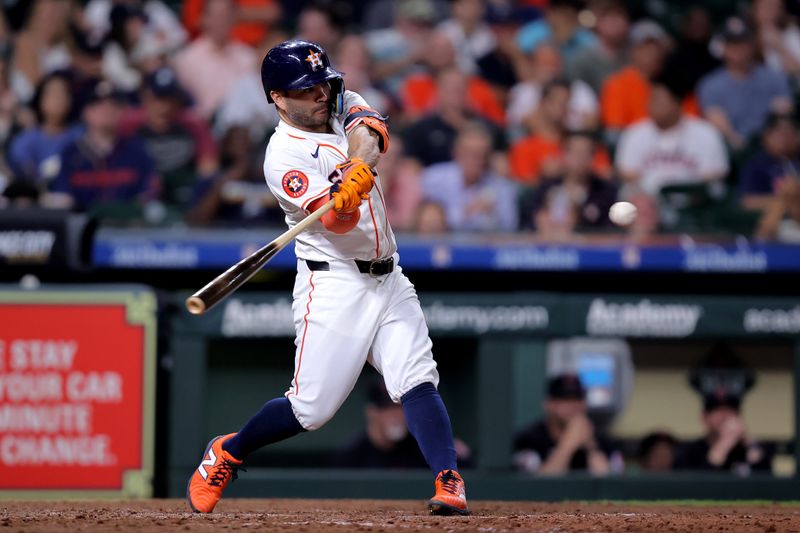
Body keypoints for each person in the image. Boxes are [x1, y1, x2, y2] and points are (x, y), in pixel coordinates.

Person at [187, 40, 469, 516]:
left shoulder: (338, 98)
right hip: (334, 282)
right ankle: (229, 451)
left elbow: (371, 131)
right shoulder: (282, 158)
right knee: (310, 411)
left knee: (417, 378)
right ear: (277, 98)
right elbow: (337, 224)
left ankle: (448, 479)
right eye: (305, 88)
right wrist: (343, 199)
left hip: (389, 275)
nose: (320, 93)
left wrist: (358, 167)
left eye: (321, 82)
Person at [49, 79, 157, 219]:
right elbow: (62, 200)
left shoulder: (137, 151)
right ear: (86, 111)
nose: (106, 109)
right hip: (83, 231)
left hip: (128, 230)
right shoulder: (71, 153)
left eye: (114, 104)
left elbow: (147, 198)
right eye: (98, 104)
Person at [119, 66, 219, 217]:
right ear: (145, 98)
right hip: (140, 192)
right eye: (158, 99)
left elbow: (208, 167)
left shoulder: (193, 123)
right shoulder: (129, 124)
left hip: (182, 191)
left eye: (170, 99)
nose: (164, 107)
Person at [615, 73, 729, 198]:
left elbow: (714, 175)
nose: (653, 105)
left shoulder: (706, 133)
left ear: (677, 103)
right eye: (651, 99)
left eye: (659, 100)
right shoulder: (635, 133)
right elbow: (627, 173)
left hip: (694, 203)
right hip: (648, 203)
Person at [698, 17, 792, 150]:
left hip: (773, 146)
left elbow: (784, 114)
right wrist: (741, 147)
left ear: (752, 45)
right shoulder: (710, 85)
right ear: (723, 48)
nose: (738, 49)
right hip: (734, 150)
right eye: (733, 43)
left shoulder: (774, 77)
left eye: (743, 43)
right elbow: (720, 126)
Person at [514, 374, 620, 475]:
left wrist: (591, 447)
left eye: (578, 398)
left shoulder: (603, 441)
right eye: (565, 400)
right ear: (549, 404)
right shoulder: (528, 440)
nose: (573, 405)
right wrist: (568, 444)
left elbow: (610, 485)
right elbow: (537, 487)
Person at [509, 79, 610, 184]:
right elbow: (525, 189)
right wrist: (545, 176)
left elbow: (605, 174)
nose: (561, 107)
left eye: (566, 102)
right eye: (555, 101)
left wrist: (573, 169)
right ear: (542, 103)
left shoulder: (581, 144)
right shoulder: (525, 148)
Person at [421, 123, 518, 231]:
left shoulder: (501, 187)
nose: (476, 161)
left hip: (482, 245)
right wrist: (466, 212)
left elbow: (510, 226)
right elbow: (424, 221)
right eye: (470, 154)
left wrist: (493, 214)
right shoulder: (433, 179)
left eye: (482, 155)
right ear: (456, 153)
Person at [402, 67, 506, 168]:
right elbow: (411, 166)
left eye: (460, 88)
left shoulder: (488, 128)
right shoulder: (420, 130)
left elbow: (501, 162)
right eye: (449, 88)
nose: (455, 92)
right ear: (438, 91)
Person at [173, 0, 257, 120]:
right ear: (204, 18)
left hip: (241, 129)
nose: (221, 21)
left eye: (226, 15)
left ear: (234, 18)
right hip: (203, 128)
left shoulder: (249, 57)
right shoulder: (187, 59)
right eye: (216, 15)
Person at [520, 131, 618, 233]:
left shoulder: (605, 191)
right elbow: (530, 223)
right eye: (575, 153)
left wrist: (579, 215)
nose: (580, 159)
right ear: (563, 155)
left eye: (586, 153)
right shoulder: (545, 188)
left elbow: (609, 231)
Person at [600, 19, 673, 139]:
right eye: (645, 48)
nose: (653, 53)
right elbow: (614, 131)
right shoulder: (617, 84)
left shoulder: (673, 83)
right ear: (633, 51)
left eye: (656, 48)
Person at [333, 380, 431, 469]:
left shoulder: (422, 453)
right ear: (371, 412)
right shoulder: (351, 456)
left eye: (400, 407)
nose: (395, 415)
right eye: (386, 408)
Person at [7, 70, 81, 185]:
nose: (58, 99)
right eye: (52, 94)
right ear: (41, 99)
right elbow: (23, 176)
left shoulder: (81, 135)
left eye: (64, 93)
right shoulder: (26, 140)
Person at [673, 392, 772, 473]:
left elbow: (765, 482)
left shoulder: (751, 447)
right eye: (716, 410)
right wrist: (723, 444)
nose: (724, 415)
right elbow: (696, 486)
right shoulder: (689, 451)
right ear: (704, 417)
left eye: (730, 410)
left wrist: (749, 442)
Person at [739, 112, 800, 212]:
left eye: (789, 133)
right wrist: (784, 201)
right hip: (779, 216)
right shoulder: (757, 164)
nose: (784, 139)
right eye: (779, 134)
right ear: (765, 137)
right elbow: (748, 201)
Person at [568, 0, 630, 94]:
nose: (614, 22)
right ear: (598, 22)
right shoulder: (582, 58)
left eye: (619, 16)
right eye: (609, 17)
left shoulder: (632, 57)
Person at [515, 0, 597, 62]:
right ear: (550, 12)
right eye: (561, 12)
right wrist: (557, 42)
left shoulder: (583, 35)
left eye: (570, 14)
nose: (564, 19)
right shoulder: (531, 32)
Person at [437, 0, 495, 75]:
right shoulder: (443, 31)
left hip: (479, 79)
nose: (469, 9)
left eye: (473, 5)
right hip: (449, 78)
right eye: (464, 5)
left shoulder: (489, 35)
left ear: (482, 9)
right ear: (454, 7)